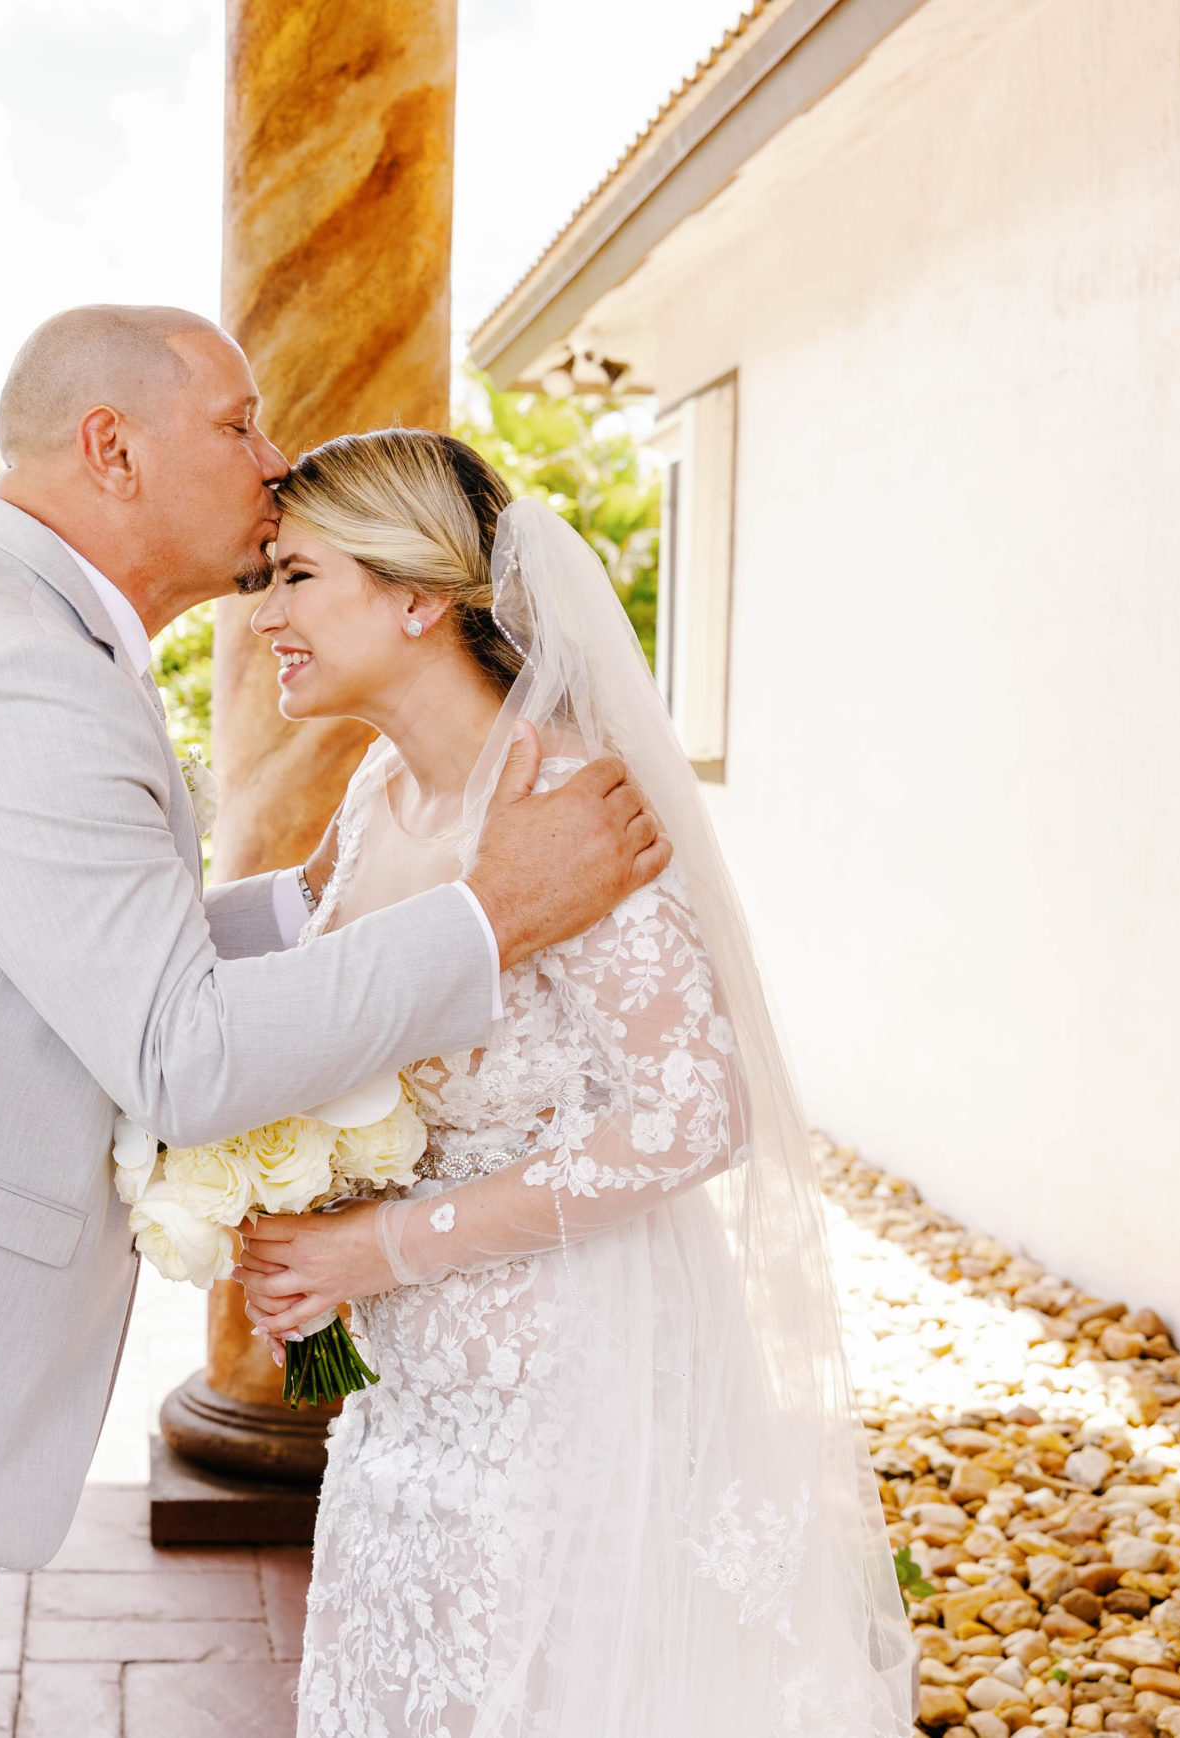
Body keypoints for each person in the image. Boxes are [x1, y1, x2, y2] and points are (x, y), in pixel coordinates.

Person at [0, 307, 670, 1738]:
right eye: (238, 425)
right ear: (112, 449)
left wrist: (334, 903)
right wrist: (487, 913)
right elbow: (180, 1050)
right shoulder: (17, 672)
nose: (273, 466)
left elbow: (67, 957)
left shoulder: (35, 641)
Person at [232, 430, 916, 1737]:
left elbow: (696, 1110)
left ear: (417, 595)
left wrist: (373, 1243)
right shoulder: (380, 792)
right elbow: (326, 994)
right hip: (402, 1395)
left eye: (294, 577)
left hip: (562, 1390)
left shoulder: (576, 806)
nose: (266, 616)